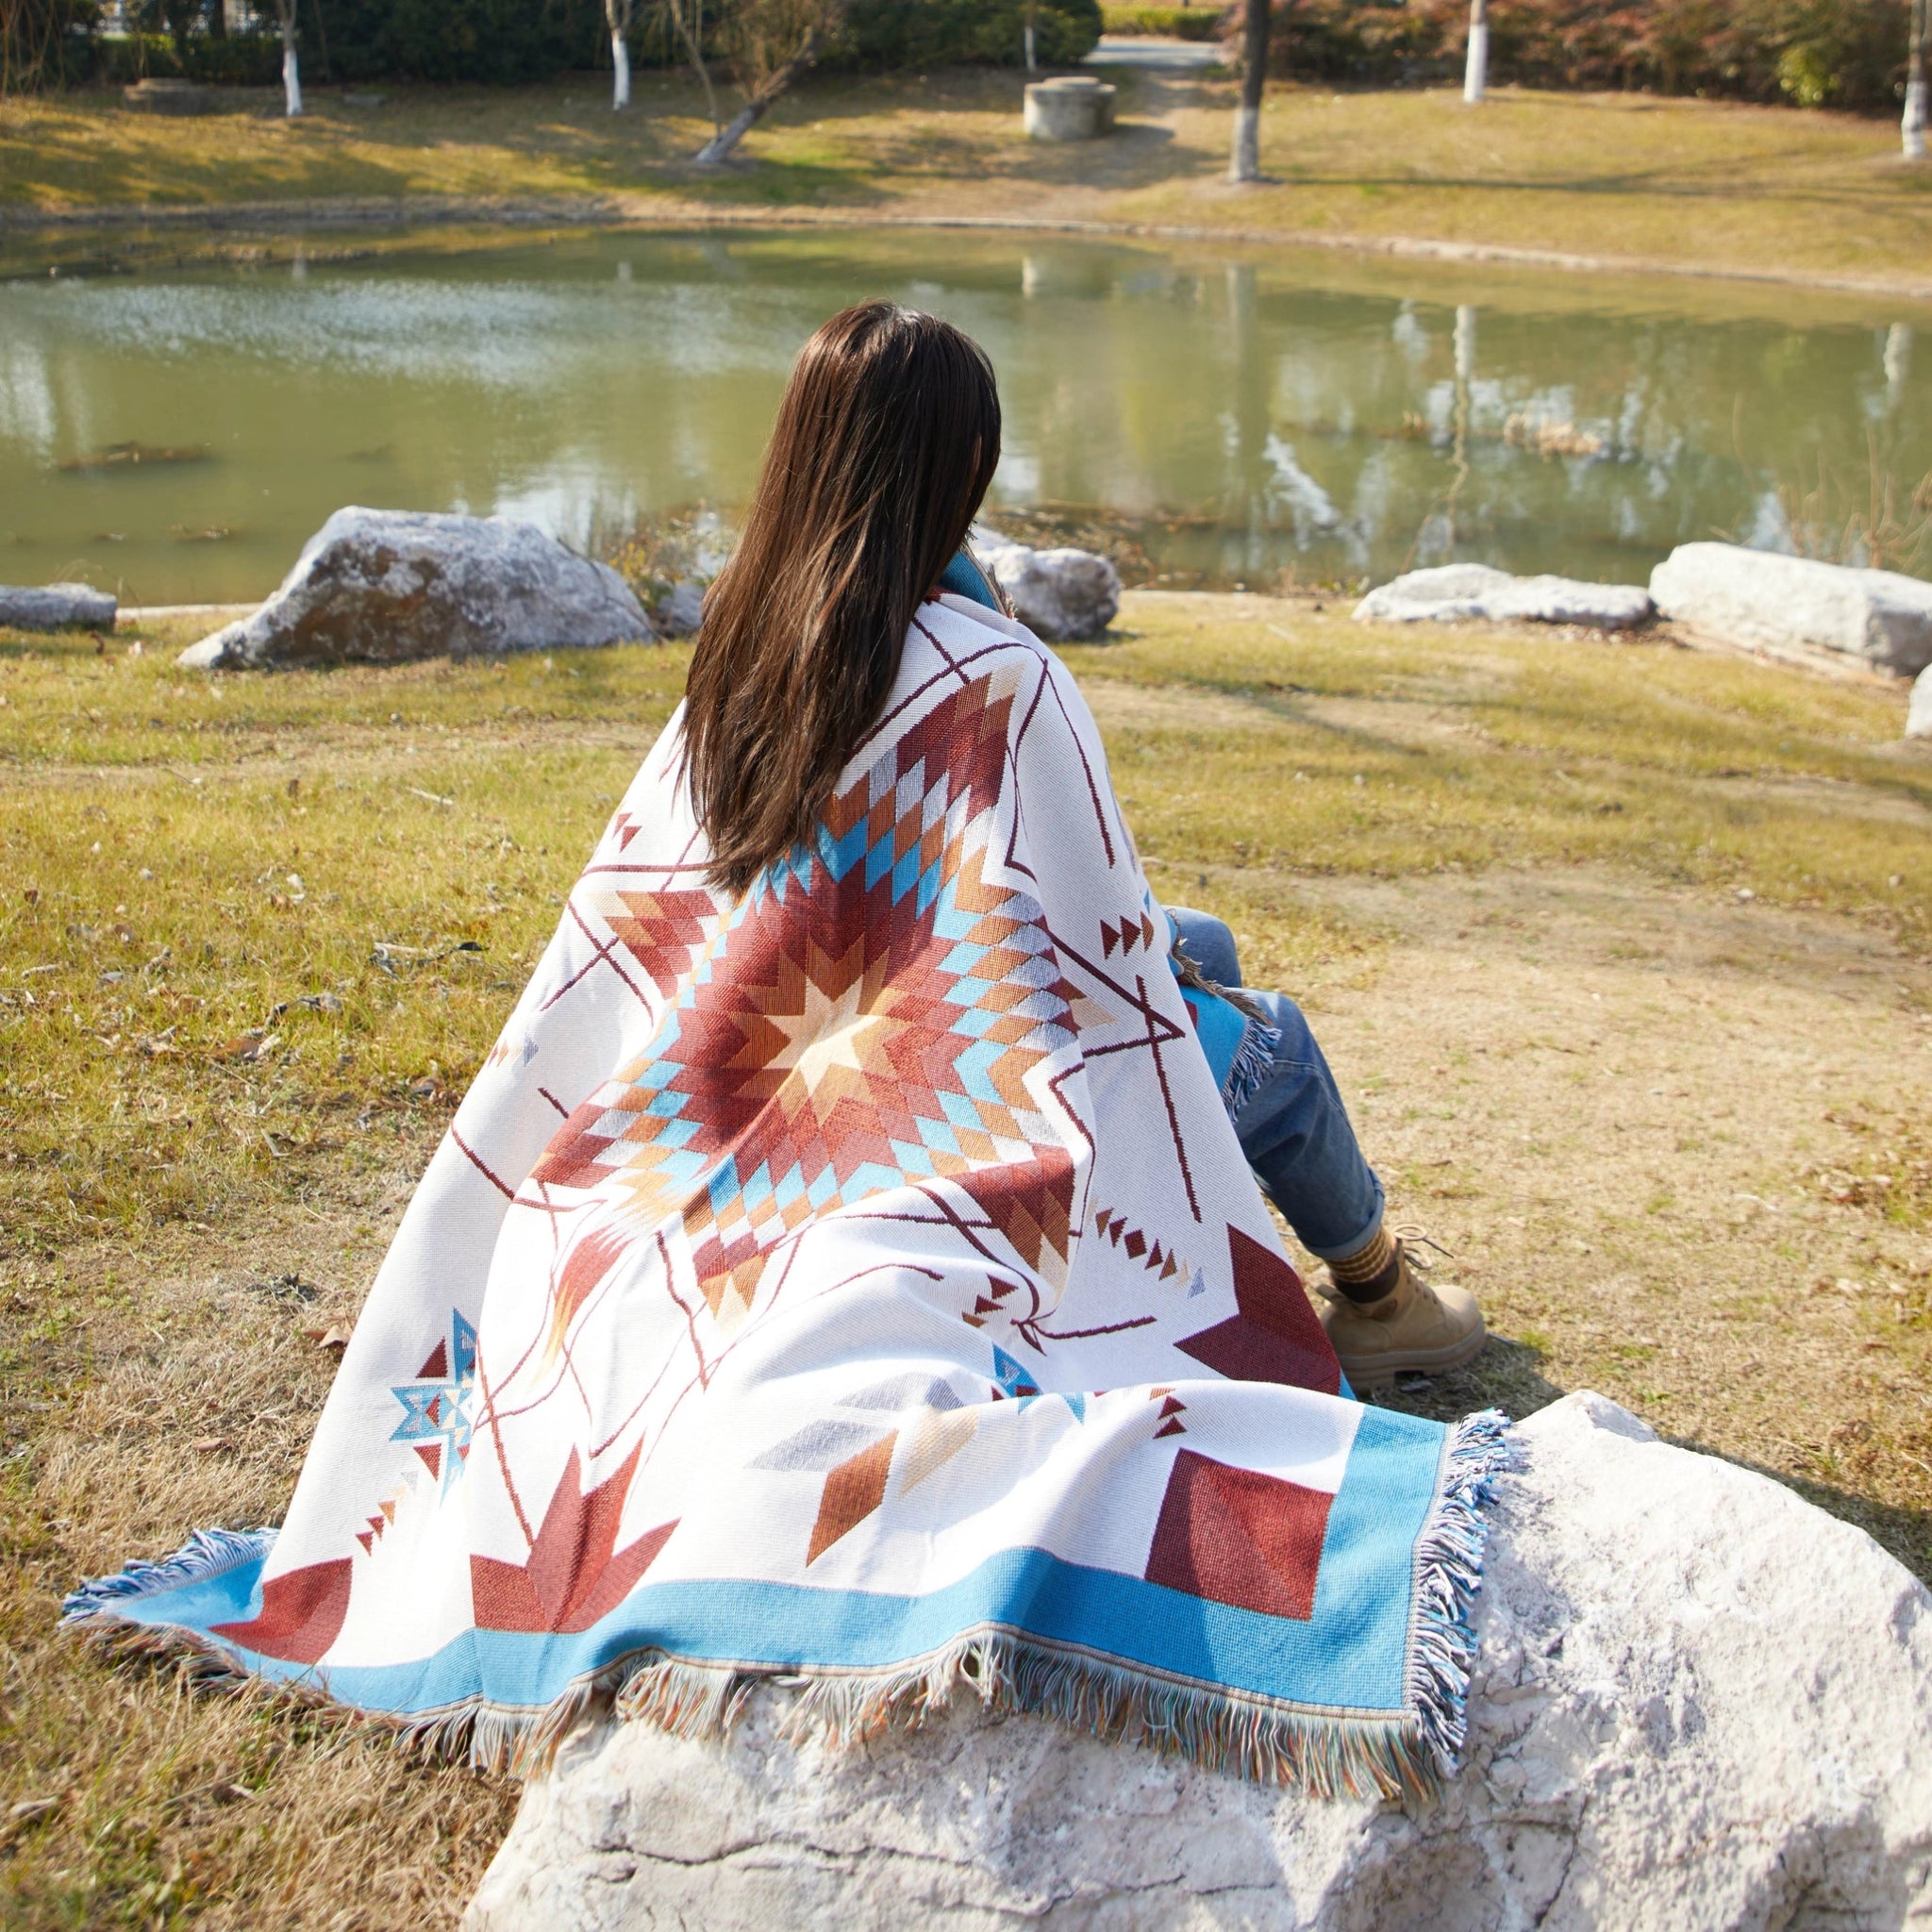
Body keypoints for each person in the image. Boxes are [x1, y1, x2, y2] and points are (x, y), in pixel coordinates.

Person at [934, 551, 1484, 1389]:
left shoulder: (782, 607)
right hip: (956, 1039)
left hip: (863, 978)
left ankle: (1208, 1221)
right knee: (1275, 1041)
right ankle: (1380, 1301)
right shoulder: (968, 640)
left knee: (1208, 940)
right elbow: (1067, 873)